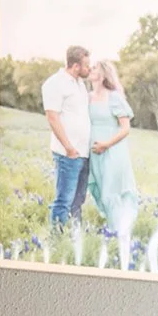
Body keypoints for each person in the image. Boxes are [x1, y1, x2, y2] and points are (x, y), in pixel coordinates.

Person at [86, 60, 139, 267]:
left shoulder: (114, 97)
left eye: (94, 68)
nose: (90, 70)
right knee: (102, 191)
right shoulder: (88, 97)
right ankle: (115, 231)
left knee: (112, 192)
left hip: (113, 152)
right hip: (95, 153)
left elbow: (125, 128)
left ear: (104, 74)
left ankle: (121, 238)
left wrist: (106, 144)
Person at [42, 46, 93, 230]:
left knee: (78, 200)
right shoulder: (55, 83)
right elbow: (52, 117)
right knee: (64, 199)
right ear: (76, 66)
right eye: (87, 65)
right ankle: (56, 239)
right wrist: (69, 147)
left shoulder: (80, 84)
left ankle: (74, 238)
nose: (90, 68)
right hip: (68, 153)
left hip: (84, 152)